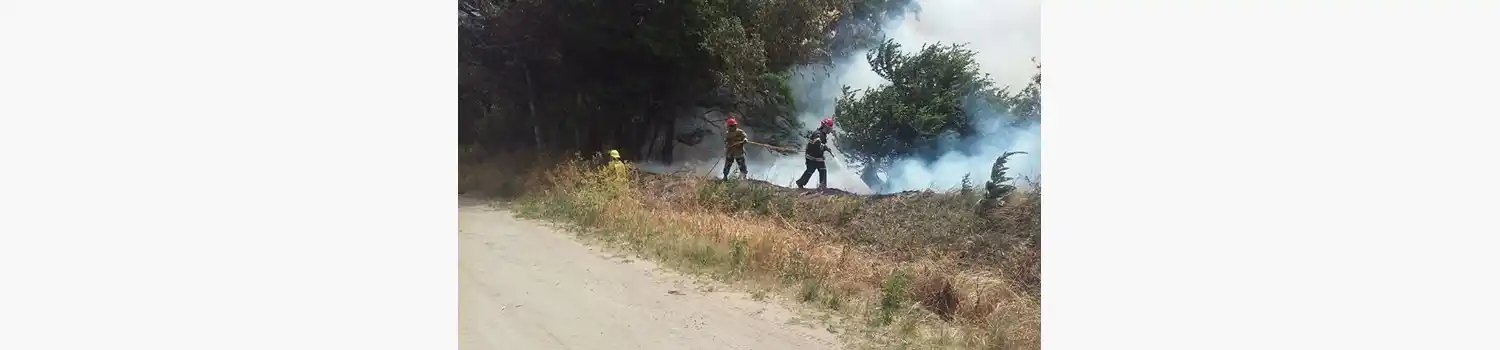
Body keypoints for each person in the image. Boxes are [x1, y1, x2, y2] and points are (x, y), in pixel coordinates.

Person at [797, 118, 835, 189]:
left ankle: (822, 186)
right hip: (811, 157)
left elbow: (821, 145)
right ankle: (800, 183)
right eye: (830, 128)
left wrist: (827, 149)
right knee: (810, 170)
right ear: (826, 127)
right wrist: (818, 141)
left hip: (818, 157)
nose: (831, 130)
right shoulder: (818, 133)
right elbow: (817, 140)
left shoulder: (823, 134)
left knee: (822, 170)